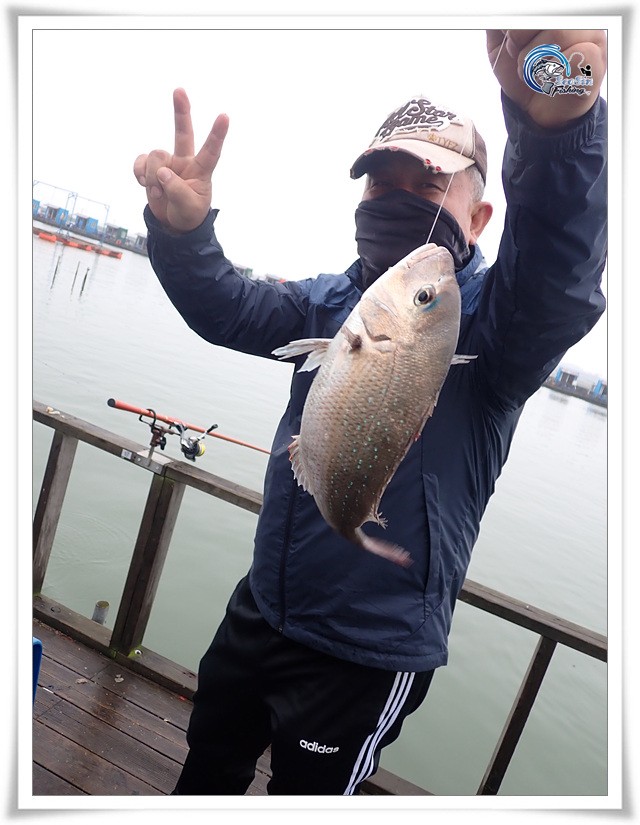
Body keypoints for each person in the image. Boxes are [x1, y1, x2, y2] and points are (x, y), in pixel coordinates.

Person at [134, 29, 607, 795]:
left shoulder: (496, 329)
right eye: (380, 183)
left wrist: (558, 127)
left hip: (365, 652)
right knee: (207, 765)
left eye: (427, 183)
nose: (399, 199)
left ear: (480, 217)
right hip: (264, 603)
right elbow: (229, 307)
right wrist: (182, 237)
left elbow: (557, 272)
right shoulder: (330, 301)